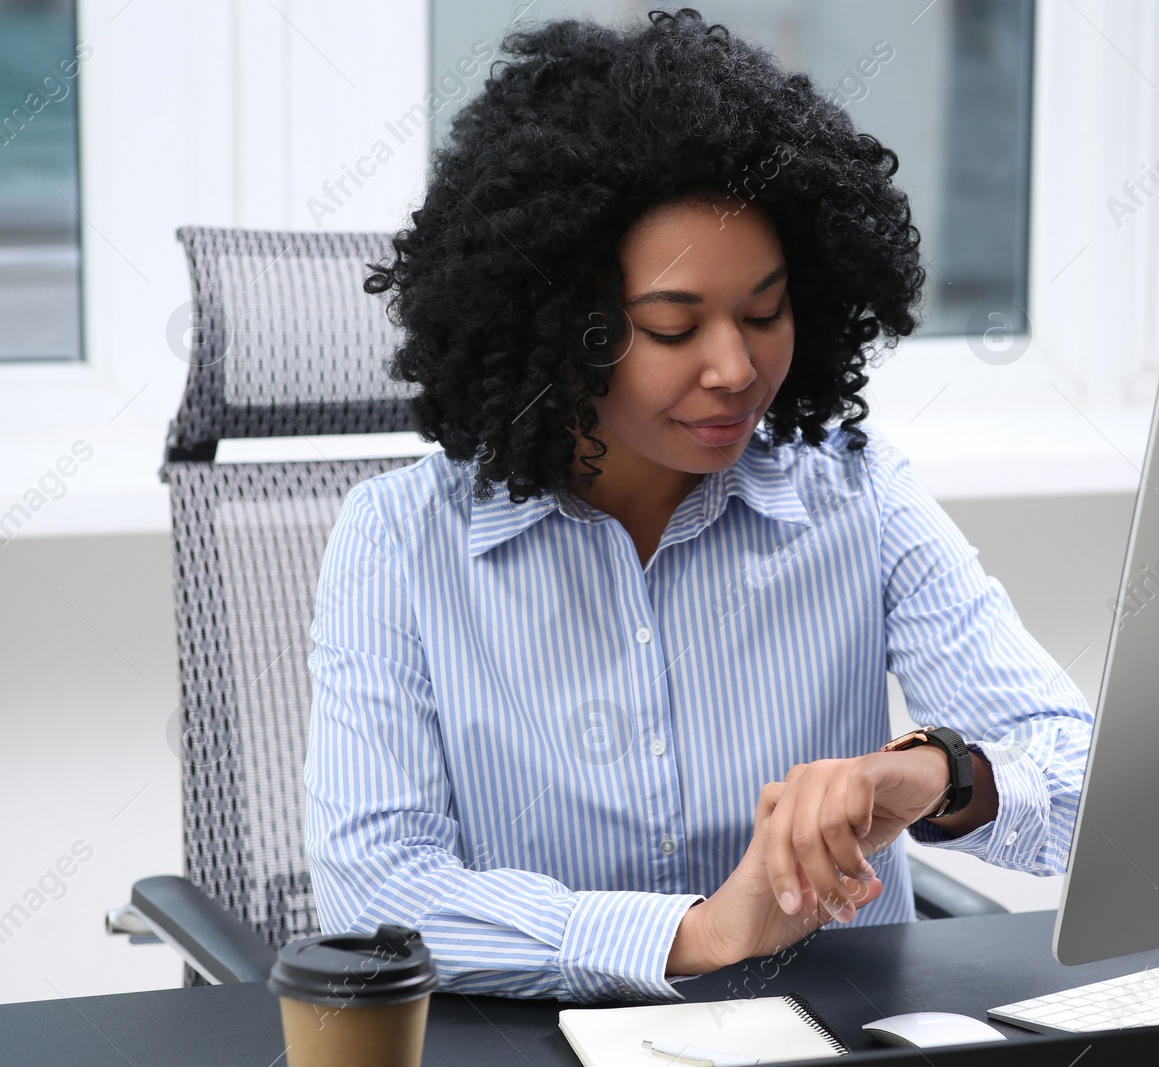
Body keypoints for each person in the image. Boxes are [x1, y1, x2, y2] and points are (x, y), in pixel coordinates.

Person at [304, 6, 1093, 1004]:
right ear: (556, 323)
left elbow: (1086, 781)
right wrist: (698, 931)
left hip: (831, 1033)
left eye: (765, 312)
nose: (735, 367)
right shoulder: (399, 543)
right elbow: (376, 891)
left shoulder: (856, 493)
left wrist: (939, 774)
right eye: (673, 326)